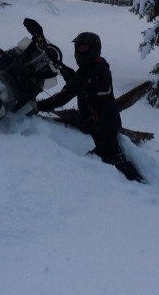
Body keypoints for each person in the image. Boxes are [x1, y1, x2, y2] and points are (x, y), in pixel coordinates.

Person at [36, 32, 147, 184]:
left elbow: (100, 89)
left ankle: (140, 189)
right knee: (98, 159)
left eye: (83, 47)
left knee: (115, 160)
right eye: (78, 47)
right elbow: (65, 95)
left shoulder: (101, 70)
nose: (80, 50)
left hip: (105, 126)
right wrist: (38, 106)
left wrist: (77, 84)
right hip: (96, 126)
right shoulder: (85, 70)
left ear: (93, 49)